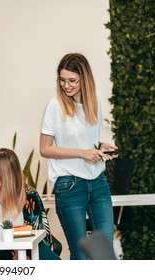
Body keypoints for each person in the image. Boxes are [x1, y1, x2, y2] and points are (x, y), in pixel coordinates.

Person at [39, 53, 117, 260]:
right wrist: (83, 153)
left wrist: (100, 147)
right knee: (81, 255)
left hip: (98, 183)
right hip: (69, 184)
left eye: (72, 80)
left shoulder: (95, 105)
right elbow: (45, 149)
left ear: (85, 79)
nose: (66, 85)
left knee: (104, 254)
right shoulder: (55, 106)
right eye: (62, 80)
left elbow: (85, 141)